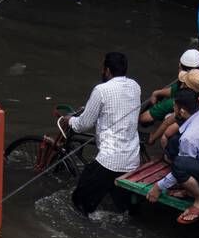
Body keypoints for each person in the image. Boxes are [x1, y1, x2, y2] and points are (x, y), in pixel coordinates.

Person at [61, 52, 142, 216]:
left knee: (79, 201)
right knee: (121, 210)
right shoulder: (135, 86)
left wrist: (69, 120)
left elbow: (83, 125)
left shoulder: (101, 90)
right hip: (133, 159)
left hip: (110, 161)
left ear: (107, 70)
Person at [146, 88, 199, 221]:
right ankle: (190, 190)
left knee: (179, 164)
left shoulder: (190, 137)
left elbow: (182, 167)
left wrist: (158, 186)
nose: (173, 109)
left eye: (174, 106)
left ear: (182, 111)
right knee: (175, 144)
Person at [141, 48, 199, 126]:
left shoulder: (183, 99)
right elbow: (174, 89)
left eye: (179, 67)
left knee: (163, 117)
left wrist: (156, 111)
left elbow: (144, 118)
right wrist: (157, 93)